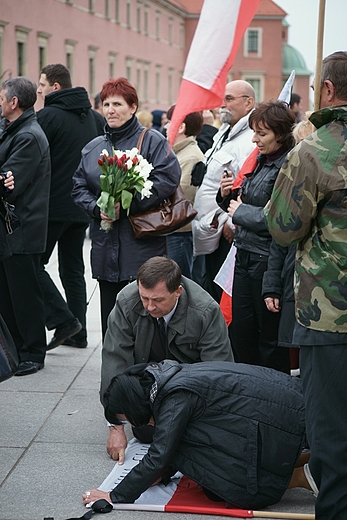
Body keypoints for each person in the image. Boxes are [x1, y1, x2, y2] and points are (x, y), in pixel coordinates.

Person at [265, 51, 347, 519]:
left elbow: (283, 227)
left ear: (330, 91)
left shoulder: (315, 149)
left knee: (331, 440)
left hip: (329, 317)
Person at [83, 359, 317, 509]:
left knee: (226, 488)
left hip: (283, 417)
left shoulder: (175, 397)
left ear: (132, 405)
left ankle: (305, 477)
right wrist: (161, 475)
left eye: (125, 418)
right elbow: (173, 445)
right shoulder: (167, 379)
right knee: (209, 481)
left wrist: (114, 496)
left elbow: (160, 454)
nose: (130, 423)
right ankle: (304, 462)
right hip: (284, 408)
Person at [72, 78, 181, 338]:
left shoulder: (152, 141)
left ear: (132, 107)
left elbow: (168, 178)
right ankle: (113, 376)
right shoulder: (93, 148)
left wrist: (129, 204)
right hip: (105, 247)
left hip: (142, 247)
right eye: (106, 104)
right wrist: (98, 208)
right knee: (111, 324)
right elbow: (78, 187)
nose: (110, 109)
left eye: (117, 104)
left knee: (145, 321)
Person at [101, 256, 233, 462]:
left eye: (158, 300)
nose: (150, 307)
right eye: (145, 298)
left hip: (190, 385)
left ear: (178, 291)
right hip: (147, 379)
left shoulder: (205, 310)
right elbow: (114, 361)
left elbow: (220, 373)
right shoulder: (127, 301)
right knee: (145, 432)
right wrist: (116, 426)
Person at [217, 100, 296, 373]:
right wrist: (226, 195)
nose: (255, 139)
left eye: (262, 133)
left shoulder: (288, 165)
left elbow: (278, 220)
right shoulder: (262, 160)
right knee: (241, 332)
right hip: (245, 254)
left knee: (268, 340)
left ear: (281, 133)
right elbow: (243, 204)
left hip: (266, 260)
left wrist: (240, 212)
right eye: (254, 132)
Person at [36, 64, 105, 350]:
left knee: (30, 265)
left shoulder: (46, 117)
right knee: (72, 270)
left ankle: (64, 320)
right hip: (82, 207)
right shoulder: (95, 118)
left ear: (55, 86)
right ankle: (78, 334)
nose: (38, 89)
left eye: (42, 83)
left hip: (50, 207)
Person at [0, 77, 51, 376]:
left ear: (14, 102)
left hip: (22, 228)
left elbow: (10, 183)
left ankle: (33, 351)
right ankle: (17, 349)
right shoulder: (13, 129)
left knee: (25, 295)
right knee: (8, 294)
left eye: (2, 98)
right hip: (11, 229)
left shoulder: (28, 136)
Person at [192, 80, 256, 302]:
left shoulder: (251, 138)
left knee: (224, 299)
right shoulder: (225, 132)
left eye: (229, 99)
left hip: (226, 233)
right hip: (212, 230)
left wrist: (231, 223)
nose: (223, 104)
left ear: (249, 103)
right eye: (223, 98)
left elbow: (247, 185)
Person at [165, 105, 204, 278]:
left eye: (169, 122)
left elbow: (181, 199)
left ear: (181, 127)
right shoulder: (179, 153)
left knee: (177, 284)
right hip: (173, 232)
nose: (166, 127)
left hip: (179, 234)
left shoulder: (190, 157)